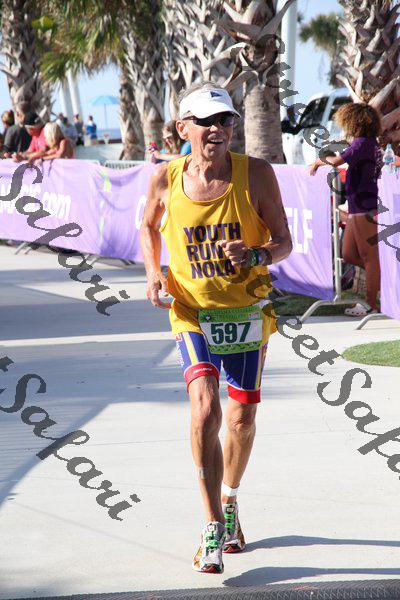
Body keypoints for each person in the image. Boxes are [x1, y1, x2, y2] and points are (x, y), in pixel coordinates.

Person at [140, 82, 292, 574]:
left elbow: (284, 241)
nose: (217, 129)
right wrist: (153, 272)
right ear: (182, 128)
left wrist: (255, 254)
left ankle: (229, 499)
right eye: (205, 121)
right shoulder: (165, 178)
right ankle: (210, 526)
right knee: (205, 407)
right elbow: (148, 226)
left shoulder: (257, 174)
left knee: (241, 419)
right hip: (191, 311)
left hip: (246, 313)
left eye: (225, 120)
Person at [310, 102, 383, 317]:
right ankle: (382, 277)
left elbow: (336, 161)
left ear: (355, 123)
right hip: (357, 206)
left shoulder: (362, 143)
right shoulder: (369, 143)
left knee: (369, 257)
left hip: (365, 207)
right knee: (348, 254)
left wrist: (318, 162)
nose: (345, 128)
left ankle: (371, 304)